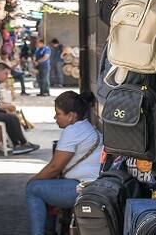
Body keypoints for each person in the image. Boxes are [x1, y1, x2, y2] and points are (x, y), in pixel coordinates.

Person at [26, 91, 101, 235]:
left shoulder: (73, 131)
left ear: (71, 116)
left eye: (58, 113)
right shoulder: (84, 126)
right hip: (89, 186)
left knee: (32, 189)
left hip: (85, 189)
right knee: (43, 185)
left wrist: (33, 179)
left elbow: (54, 168)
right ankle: (48, 231)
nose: (55, 117)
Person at [0, 63, 39, 154]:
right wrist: (6, 106)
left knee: (11, 116)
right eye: (5, 73)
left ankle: (19, 144)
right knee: (11, 117)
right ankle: (22, 143)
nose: (7, 76)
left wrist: (5, 107)